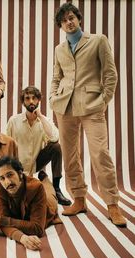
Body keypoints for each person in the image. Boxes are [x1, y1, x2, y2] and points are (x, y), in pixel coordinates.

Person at [49, 2, 126, 226]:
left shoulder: (98, 40)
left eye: (72, 17)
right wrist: (54, 98)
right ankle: (79, 199)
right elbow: (56, 76)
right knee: (71, 156)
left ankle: (113, 204)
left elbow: (110, 74)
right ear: (61, 25)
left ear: (78, 18)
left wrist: (103, 101)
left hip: (92, 107)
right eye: (64, 20)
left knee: (100, 153)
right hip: (65, 108)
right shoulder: (59, 49)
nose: (69, 22)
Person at [6, 86, 71, 206]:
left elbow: (54, 138)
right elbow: (6, 145)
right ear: (23, 102)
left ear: (38, 100)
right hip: (17, 165)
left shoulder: (44, 121)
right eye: (27, 98)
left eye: (34, 98)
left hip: (36, 163)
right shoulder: (13, 121)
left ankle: (57, 189)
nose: (31, 101)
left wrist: (40, 116)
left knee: (56, 147)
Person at [0, 156, 62, 251]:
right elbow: (3, 222)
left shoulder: (36, 187)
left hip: (48, 202)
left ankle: (45, 178)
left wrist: (2, 220)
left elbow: (37, 229)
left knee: (49, 190)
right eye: (2, 178)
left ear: (20, 174)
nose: (7, 182)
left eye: (10, 175)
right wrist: (22, 237)